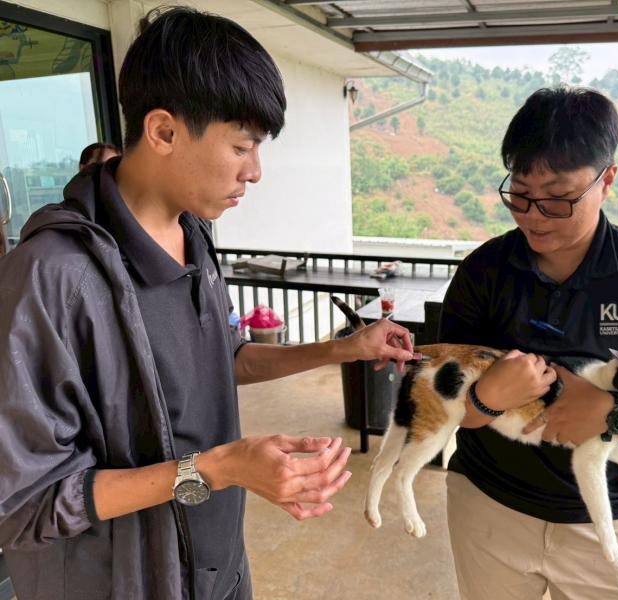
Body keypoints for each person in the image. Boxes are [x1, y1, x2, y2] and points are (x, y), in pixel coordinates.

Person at [0, 7, 417, 600]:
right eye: (242, 146)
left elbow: (225, 356)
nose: (255, 172)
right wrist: (220, 468)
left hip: (218, 564)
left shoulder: (194, 236)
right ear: (164, 132)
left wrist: (341, 350)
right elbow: (25, 501)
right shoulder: (53, 276)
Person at [440, 87, 618, 600]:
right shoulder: (484, 271)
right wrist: (485, 397)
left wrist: (612, 415)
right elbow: (442, 404)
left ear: (606, 180)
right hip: (489, 505)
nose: (533, 215)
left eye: (558, 197)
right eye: (520, 192)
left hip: (614, 521)